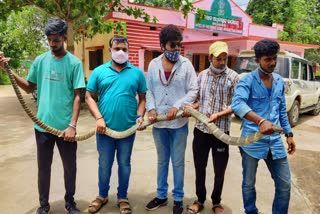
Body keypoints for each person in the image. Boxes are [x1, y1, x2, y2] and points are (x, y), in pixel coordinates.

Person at [0, 18, 85, 214]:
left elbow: (78, 96)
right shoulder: (40, 60)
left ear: (64, 37)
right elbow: (30, 88)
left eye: (56, 40)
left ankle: (70, 203)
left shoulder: (74, 63)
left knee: (69, 168)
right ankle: (43, 205)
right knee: (44, 169)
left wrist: (72, 125)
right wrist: (8, 71)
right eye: (49, 40)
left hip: (65, 129)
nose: (52, 44)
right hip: (42, 127)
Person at [231, 39, 296, 214]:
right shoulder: (247, 81)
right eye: (268, 59)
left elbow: (282, 110)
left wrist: (289, 134)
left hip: (275, 142)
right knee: (248, 184)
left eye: (275, 58)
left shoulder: (279, 81)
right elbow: (237, 104)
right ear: (258, 59)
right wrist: (260, 121)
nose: (273, 63)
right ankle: (251, 211)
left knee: (284, 185)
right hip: (251, 141)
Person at [85, 36, 146, 214]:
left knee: (124, 164)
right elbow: (89, 96)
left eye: (124, 49)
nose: (121, 52)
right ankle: (102, 195)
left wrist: (140, 116)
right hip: (105, 130)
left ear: (128, 50)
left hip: (128, 130)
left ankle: (122, 197)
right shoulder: (99, 72)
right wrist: (98, 118)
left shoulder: (137, 73)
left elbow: (142, 98)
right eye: (117, 48)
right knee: (104, 164)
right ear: (110, 49)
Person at [145, 24, 198, 214]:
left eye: (178, 45)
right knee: (162, 161)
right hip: (158, 123)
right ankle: (161, 196)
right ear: (162, 46)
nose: (176, 49)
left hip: (178, 124)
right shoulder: (153, 65)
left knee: (177, 162)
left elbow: (193, 90)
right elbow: (149, 89)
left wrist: (178, 105)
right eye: (172, 45)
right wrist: (151, 109)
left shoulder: (186, 65)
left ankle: (177, 198)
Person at [186, 41, 239, 214]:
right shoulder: (201, 76)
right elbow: (198, 101)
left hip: (221, 131)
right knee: (199, 166)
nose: (223, 62)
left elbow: (237, 105)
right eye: (219, 59)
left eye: (225, 58)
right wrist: (190, 109)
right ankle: (200, 200)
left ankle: (216, 202)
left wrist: (219, 114)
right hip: (201, 130)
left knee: (219, 169)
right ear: (210, 58)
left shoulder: (233, 77)